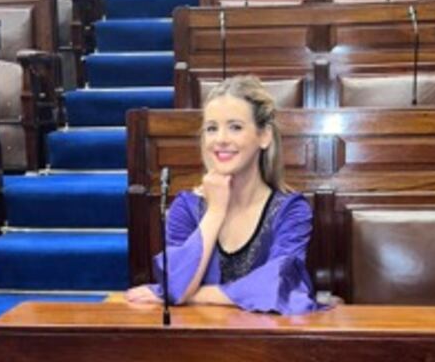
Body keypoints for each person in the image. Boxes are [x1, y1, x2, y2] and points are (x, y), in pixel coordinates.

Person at [126, 74, 322, 314]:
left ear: (264, 136)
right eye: (211, 128)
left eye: (235, 127)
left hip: (267, 335)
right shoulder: (186, 207)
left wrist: (195, 295)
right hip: (198, 333)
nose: (220, 140)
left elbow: (279, 285)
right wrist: (216, 211)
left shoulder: (291, 210)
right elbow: (176, 284)